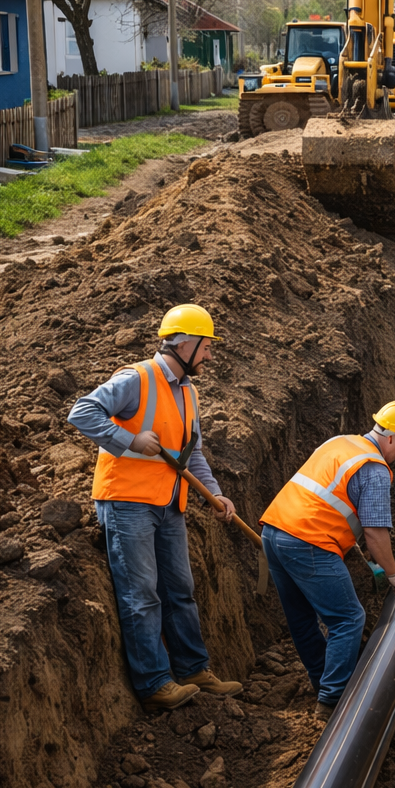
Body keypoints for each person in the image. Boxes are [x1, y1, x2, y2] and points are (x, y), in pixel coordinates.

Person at [67, 304, 244, 711]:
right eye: (206, 347)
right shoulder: (136, 378)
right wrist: (129, 440)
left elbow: (190, 454)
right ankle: (154, 684)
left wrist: (213, 494)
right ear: (184, 344)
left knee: (180, 590)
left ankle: (193, 668)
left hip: (168, 502)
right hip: (128, 501)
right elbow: (82, 411)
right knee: (141, 594)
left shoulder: (187, 391)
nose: (210, 356)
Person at [259, 401, 395, 719]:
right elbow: (375, 533)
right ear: (391, 437)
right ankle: (333, 699)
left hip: (274, 534)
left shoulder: (341, 442)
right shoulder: (374, 469)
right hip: (308, 542)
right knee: (348, 619)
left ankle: (322, 683)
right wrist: (394, 575)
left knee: (302, 620)